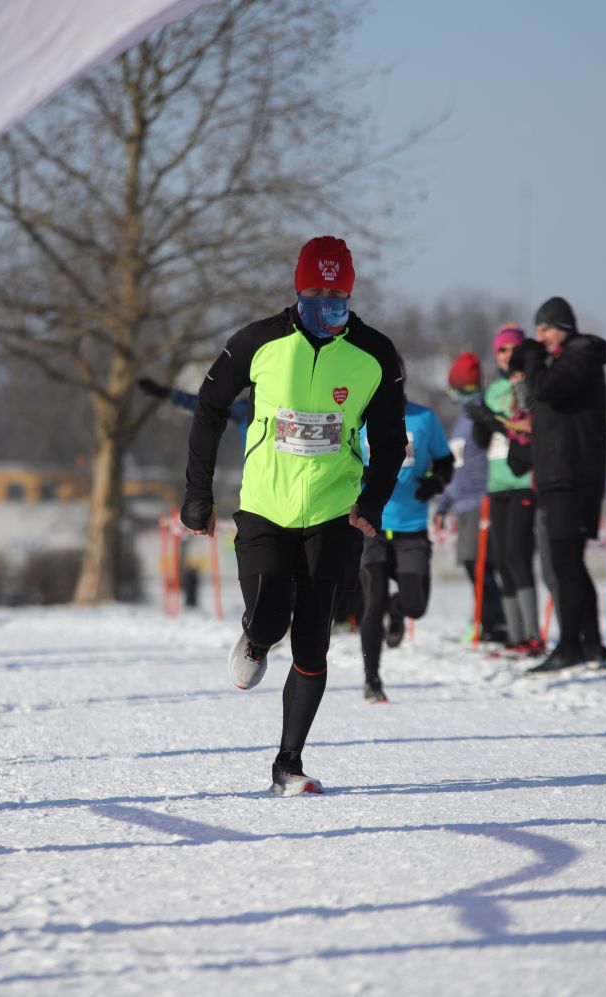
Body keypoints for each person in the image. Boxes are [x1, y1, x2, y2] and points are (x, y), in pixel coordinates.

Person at [181, 236, 406, 795]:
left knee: (312, 642)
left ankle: (288, 763)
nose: (326, 300)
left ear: (349, 292)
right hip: (264, 507)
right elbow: (209, 408)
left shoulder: (375, 354)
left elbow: (390, 439)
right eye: (315, 290)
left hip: (334, 511)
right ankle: (255, 639)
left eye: (336, 291)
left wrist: (372, 501)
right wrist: (198, 496)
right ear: (298, 289)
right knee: (271, 616)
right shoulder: (257, 341)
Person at [513, 296, 606, 672]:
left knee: (565, 564)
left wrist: (533, 357)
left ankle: (572, 645)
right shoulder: (568, 360)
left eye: (546, 329)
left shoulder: (581, 357)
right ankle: (592, 645)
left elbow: (546, 387)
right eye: (536, 330)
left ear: (566, 329)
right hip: (560, 473)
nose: (540, 337)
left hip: (572, 476)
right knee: (570, 563)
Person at [358, 363, 453, 702]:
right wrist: (363, 474)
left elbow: (445, 461)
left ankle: (397, 615)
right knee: (373, 602)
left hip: (412, 528)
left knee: (415, 606)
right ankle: (372, 679)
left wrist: (436, 482)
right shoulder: (359, 418)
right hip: (373, 527)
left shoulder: (424, 418)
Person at [466, 324, 543, 655]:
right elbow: (483, 440)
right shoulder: (494, 388)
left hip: (524, 480)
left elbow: (529, 424)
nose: (507, 355)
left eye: (513, 349)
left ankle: (533, 634)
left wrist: (500, 420)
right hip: (497, 482)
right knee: (501, 559)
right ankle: (515, 636)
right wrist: (481, 419)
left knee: (518, 555)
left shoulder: (530, 384)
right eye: (501, 350)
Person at [436, 351, 511, 645]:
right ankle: (486, 618)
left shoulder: (480, 417)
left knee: (479, 563)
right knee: (473, 563)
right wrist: (444, 502)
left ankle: (494, 621)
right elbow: (457, 468)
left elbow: (479, 465)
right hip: (464, 504)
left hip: (481, 502)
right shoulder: (461, 421)